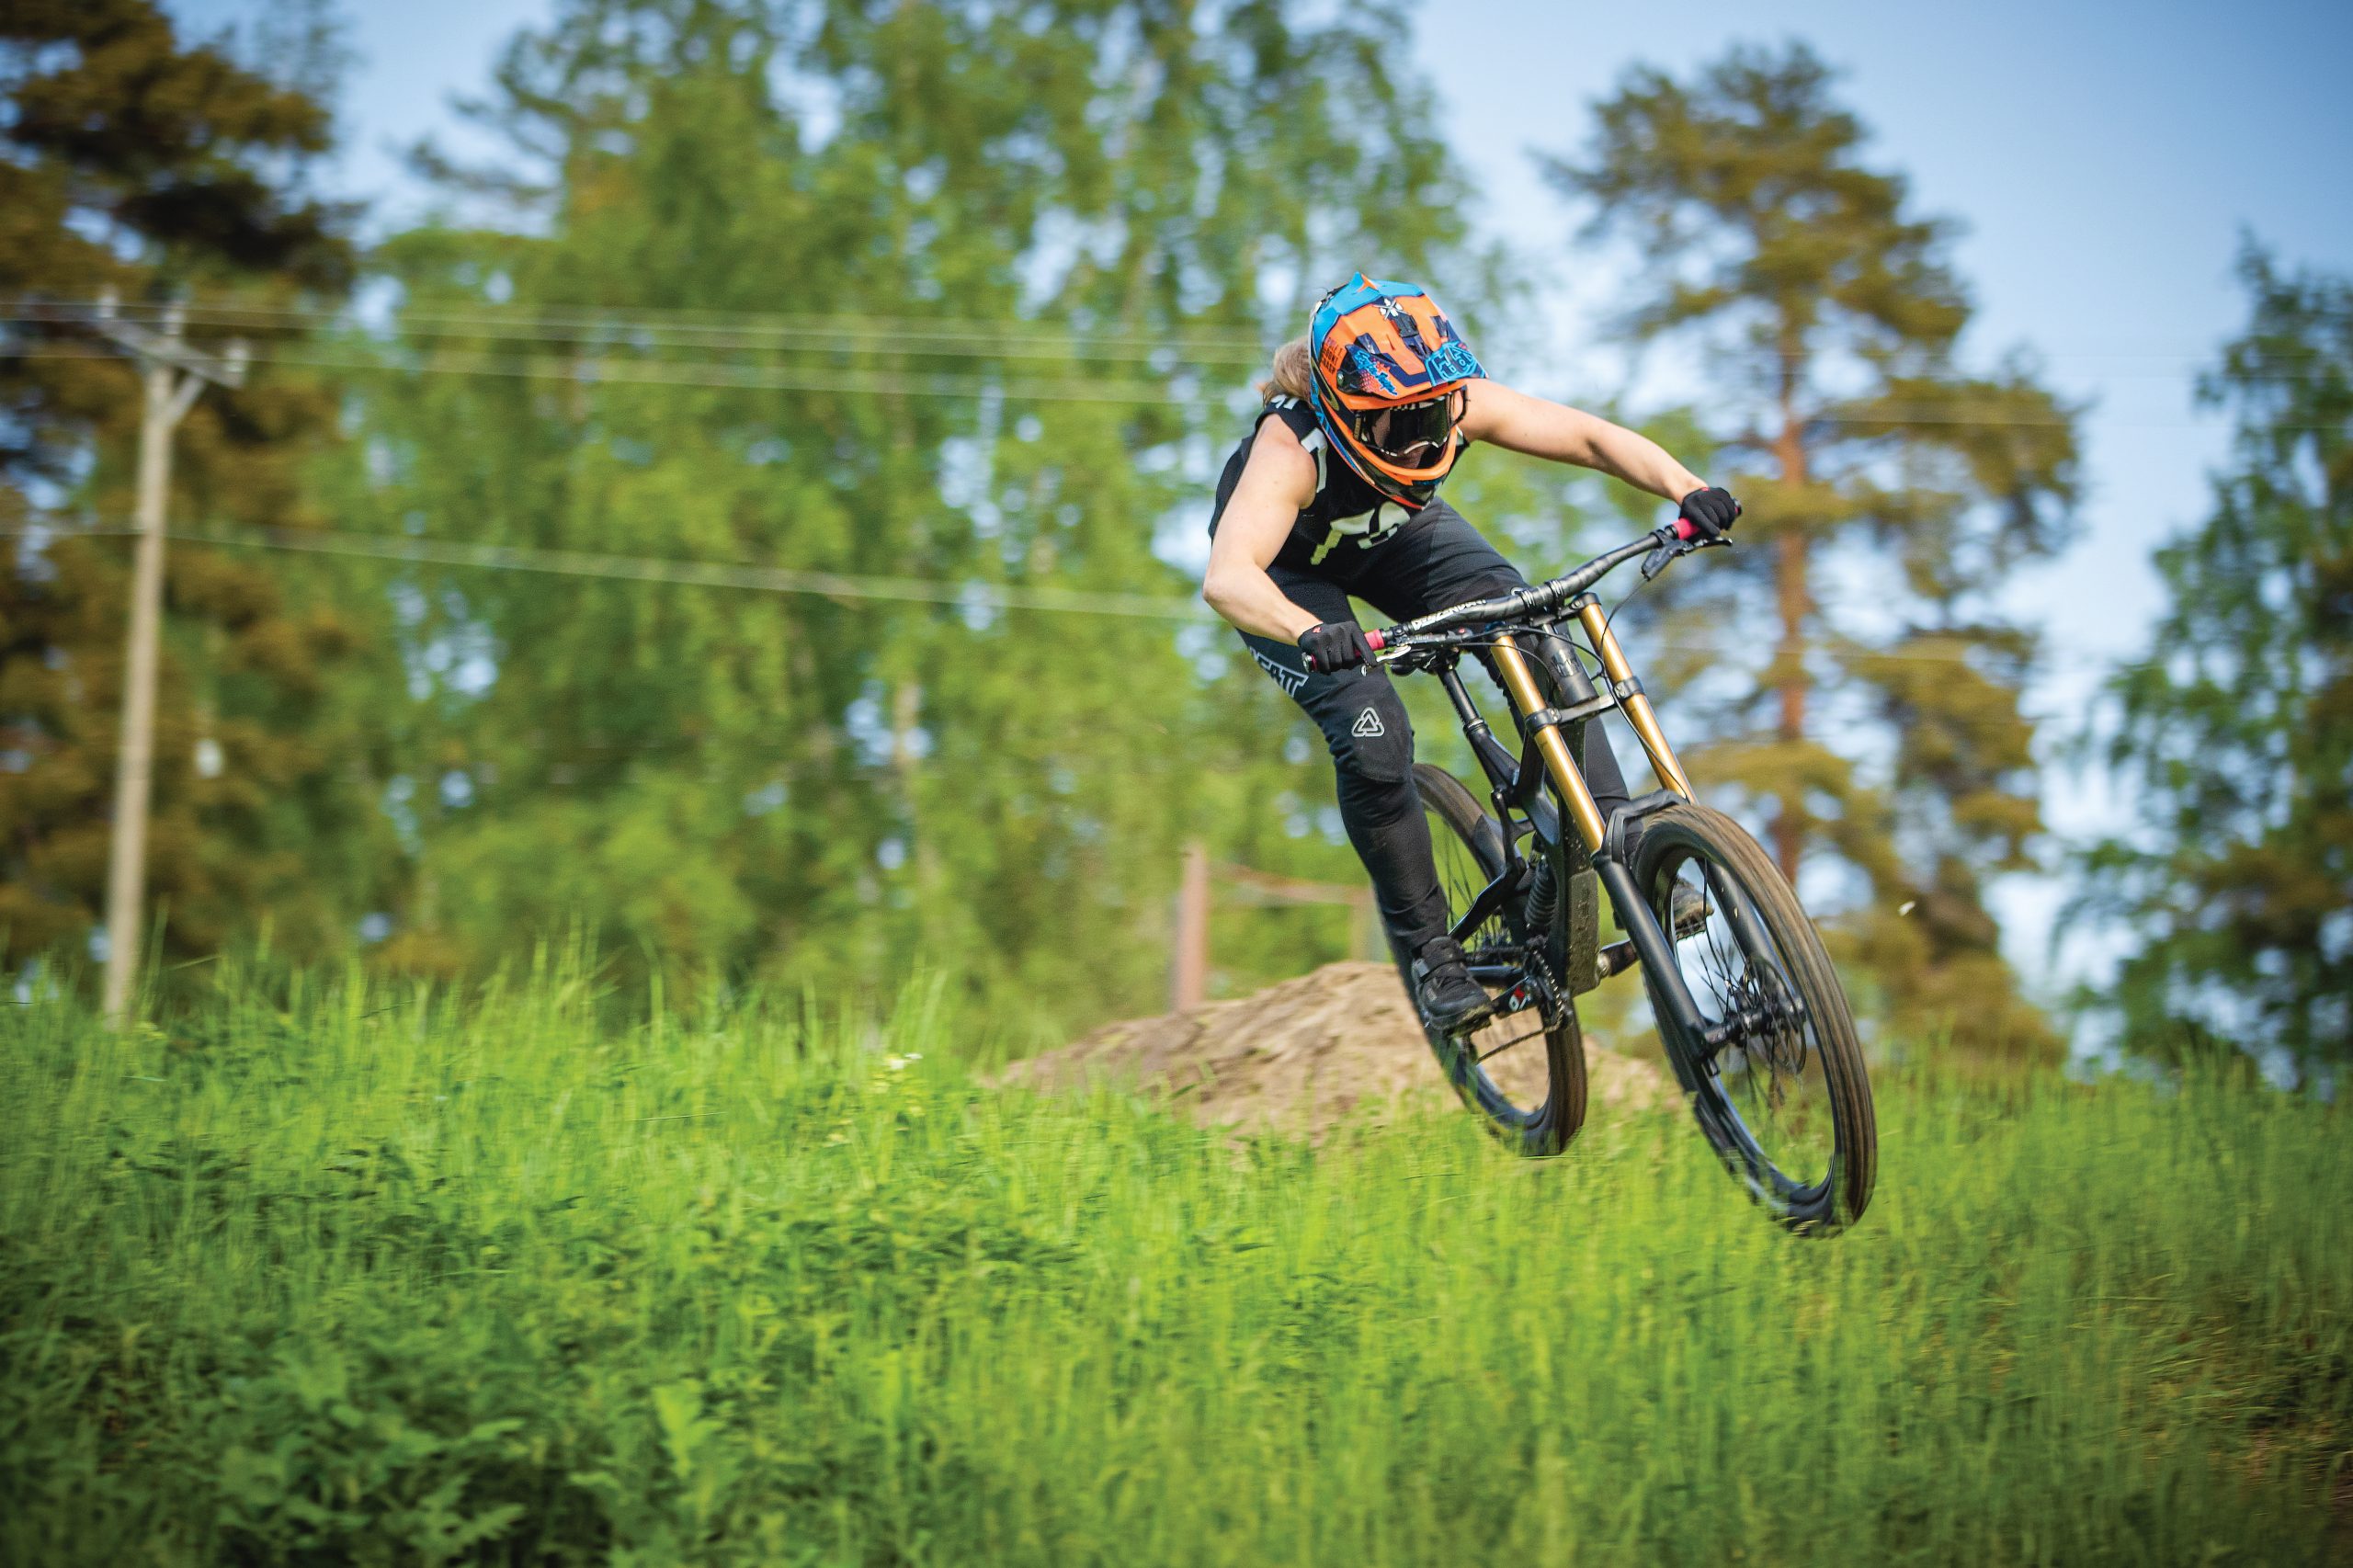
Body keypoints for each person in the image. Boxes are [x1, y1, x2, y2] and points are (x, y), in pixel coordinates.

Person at [1202, 273, 1738, 1032]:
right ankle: (1432, 956)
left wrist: (1686, 488)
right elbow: (1228, 577)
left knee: (1534, 626)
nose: (1427, 436)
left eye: (1434, 412)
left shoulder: (1454, 402)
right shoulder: (1291, 450)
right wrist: (1308, 632)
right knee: (1374, 732)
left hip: (1394, 533)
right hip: (1286, 579)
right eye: (1401, 424)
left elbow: (1587, 436)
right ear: (1347, 413)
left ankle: (1630, 848)